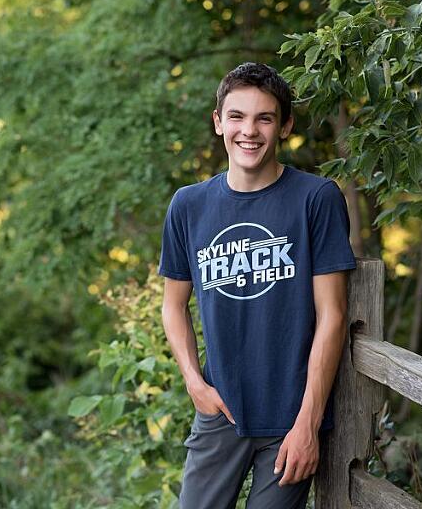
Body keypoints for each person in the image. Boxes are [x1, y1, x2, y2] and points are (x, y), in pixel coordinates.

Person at [158, 62, 357, 508]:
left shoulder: (316, 198)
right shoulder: (189, 206)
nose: (249, 131)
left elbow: (333, 315)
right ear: (218, 122)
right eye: (237, 117)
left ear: (285, 125)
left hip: (290, 421)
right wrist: (194, 383)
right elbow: (173, 306)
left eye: (264, 118)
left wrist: (307, 422)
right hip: (219, 412)